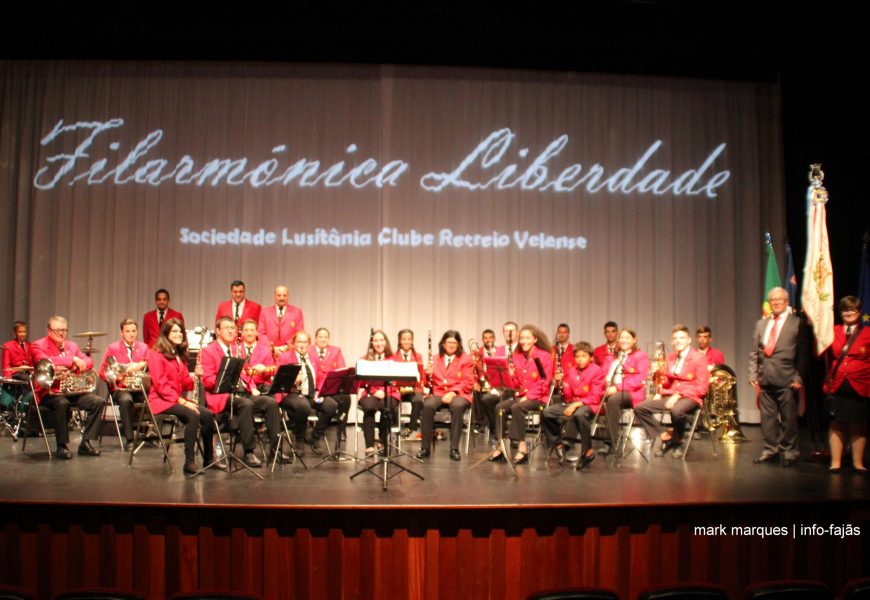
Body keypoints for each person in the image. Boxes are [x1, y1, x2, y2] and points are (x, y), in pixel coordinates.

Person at [200, 317, 282, 467]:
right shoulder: (208, 351)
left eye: (233, 327)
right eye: (227, 328)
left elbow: (243, 373)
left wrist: (252, 387)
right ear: (218, 331)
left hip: (242, 392)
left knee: (270, 402)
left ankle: (275, 450)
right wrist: (223, 380)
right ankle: (249, 452)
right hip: (222, 395)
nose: (231, 330)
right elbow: (207, 380)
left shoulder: (235, 350)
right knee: (246, 404)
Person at [145, 318, 217, 474]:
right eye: (174, 331)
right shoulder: (155, 354)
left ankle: (209, 458)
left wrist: (195, 377)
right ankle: (189, 462)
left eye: (180, 331)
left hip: (176, 399)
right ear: (166, 334)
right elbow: (160, 385)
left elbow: (184, 383)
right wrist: (182, 401)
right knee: (192, 415)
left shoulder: (178, 354)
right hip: (161, 400)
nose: (178, 334)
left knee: (208, 415)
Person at [749, 287, 810, 467]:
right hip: (765, 378)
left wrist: (799, 377)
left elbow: (803, 354)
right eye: (772, 300)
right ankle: (770, 450)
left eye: (779, 299)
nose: (775, 302)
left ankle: (790, 452)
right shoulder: (762, 324)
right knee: (768, 419)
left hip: (788, 379)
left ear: (786, 301)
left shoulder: (797, 323)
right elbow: (754, 352)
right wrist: (753, 373)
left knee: (789, 418)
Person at [30, 316, 107, 459]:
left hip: (71, 391)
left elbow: (88, 361)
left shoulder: (72, 346)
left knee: (98, 402)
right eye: (57, 330)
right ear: (49, 331)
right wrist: (72, 360)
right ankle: (61, 445)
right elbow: (44, 361)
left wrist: (81, 364)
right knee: (62, 403)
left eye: (64, 330)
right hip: (48, 392)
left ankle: (85, 443)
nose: (62, 333)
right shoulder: (37, 345)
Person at [634, 324, 710, 458]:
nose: (678, 341)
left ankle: (678, 440)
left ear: (689, 340)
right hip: (671, 395)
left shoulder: (699, 358)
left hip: (691, 396)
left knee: (677, 410)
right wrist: (658, 375)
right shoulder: (671, 357)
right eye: (675, 338)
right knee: (640, 407)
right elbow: (667, 382)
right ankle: (664, 435)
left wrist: (679, 394)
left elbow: (702, 388)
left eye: (682, 338)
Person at [488, 325, 553, 464]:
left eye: (527, 338)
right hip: (521, 396)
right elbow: (517, 384)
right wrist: (510, 375)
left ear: (535, 339)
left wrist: (528, 396)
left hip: (538, 397)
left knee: (517, 407)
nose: (524, 341)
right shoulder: (517, 356)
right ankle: (500, 444)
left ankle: (522, 446)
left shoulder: (544, 356)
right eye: (522, 338)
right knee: (500, 407)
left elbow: (545, 382)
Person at [823, 296, 869, 473]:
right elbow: (822, 353)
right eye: (845, 310)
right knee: (837, 423)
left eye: (853, 310)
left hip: (861, 384)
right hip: (837, 384)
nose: (849, 313)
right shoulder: (832, 331)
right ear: (840, 312)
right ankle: (836, 462)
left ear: (859, 312)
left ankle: (858, 463)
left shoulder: (867, 333)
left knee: (858, 423)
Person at [542, 341, 604, 469]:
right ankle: (558, 444)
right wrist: (562, 382)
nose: (580, 359)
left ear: (591, 357)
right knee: (547, 412)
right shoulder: (572, 370)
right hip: (573, 402)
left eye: (584, 356)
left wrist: (575, 405)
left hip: (589, 403)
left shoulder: (597, 371)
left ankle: (588, 451)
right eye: (577, 356)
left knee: (580, 414)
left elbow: (596, 396)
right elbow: (568, 394)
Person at [276, 330, 338, 456]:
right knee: (303, 405)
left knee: (331, 405)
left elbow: (320, 378)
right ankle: (299, 438)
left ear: (309, 344)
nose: (302, 344)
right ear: (293, 343)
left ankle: (314, 437)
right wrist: (292, 379)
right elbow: (279, 378)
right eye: (299, 341)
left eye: (305, 342)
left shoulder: (313, 357)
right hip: (291, 394)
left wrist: (318, 392)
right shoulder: (286, 356)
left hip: (310, 394)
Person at [416, 330, 474, 461]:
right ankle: (425, 447)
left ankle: (454, 448)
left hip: (459, 393)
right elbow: (426, 384)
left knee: (458, 406)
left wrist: (453, 392)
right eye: (449, 342)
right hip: (439, 392)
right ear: (443, 343)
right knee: (427, 405)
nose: (452, 345)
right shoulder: (435, 358)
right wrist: (427, 374)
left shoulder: (466, 359)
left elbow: (468, 382)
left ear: (459, 344)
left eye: (454, 342)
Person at [98, 318, 149, 450]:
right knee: (126, 400)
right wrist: (119, 377)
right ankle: (129, 438)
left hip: (138, 388)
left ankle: (151, 435)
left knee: (154, 398)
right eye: (128, 331)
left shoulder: (143, 347)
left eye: (134, 331)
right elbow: (102, 373)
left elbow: (152, 366)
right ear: (121, 333)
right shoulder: (113, 348)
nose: (131, 334)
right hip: (120, 388)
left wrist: (142, 364)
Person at [602, 328, 650, 448]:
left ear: (634, 340)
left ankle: (611, 441)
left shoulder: (640, 356)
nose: (623, 340)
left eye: (627, 338)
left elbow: (639, 379)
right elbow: (605, 376)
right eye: (621, 337)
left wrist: (617, 388)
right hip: (613, 391)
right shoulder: (614, 358)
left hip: (632, 393)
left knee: (613, 399)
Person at [309, 327, 351, 449]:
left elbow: (341, 369)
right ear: (316, 339)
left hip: (330, 388)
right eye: (320, 337)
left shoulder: (336, 351)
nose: (323, 339)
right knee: (330, 406)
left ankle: (341, 429)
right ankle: (316, 433)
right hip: (315, 390)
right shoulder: (309, 350)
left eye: (326, 337)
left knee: (346, 398)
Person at [355, 329, 396, 455]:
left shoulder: (393, 359)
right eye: (376, 340)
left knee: (388, 406)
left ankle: (382, 440)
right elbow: (361, 382)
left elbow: (396, 381)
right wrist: (375, 391)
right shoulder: (364, 359)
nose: (379, 343)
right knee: (369, 407)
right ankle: (369, 445)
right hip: (370, 392)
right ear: (372, 343)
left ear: (386, 342)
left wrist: (385, 391)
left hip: (389, 392)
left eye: (381, 340)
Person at [479, 321, 519, 445]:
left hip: (518, 390)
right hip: (503, 388)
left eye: (512, 330)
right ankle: (496, 430)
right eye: (507, 331)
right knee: (486, 399)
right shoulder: (498, 350)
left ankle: (508, 436)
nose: (510, 333)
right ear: (503, 333)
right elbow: (492, 373)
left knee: (503, 402)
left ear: (517, 333)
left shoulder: (523, 349)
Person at [394, 329, 426, 439]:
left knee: (418, 399)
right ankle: (394, 427)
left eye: (409, 339)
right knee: (392, 400)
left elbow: (421, 375)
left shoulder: (418, 356)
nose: (407, 341)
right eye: (404, 339)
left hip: (412, 389)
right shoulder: (393, 356)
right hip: (398, 389)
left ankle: (411, 428)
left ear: (412, 341)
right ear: (399, 341)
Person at [258, 285, 305, 359]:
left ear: (288, 296)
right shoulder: (264, 312)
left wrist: (286, 346)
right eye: (279, 295)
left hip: (290, 352)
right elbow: (261, 333)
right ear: (274, 296)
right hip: (269, 353)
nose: (282, 298)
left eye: (284, 295)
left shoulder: (297, 312)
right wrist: (273, 348)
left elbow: (299, 333)